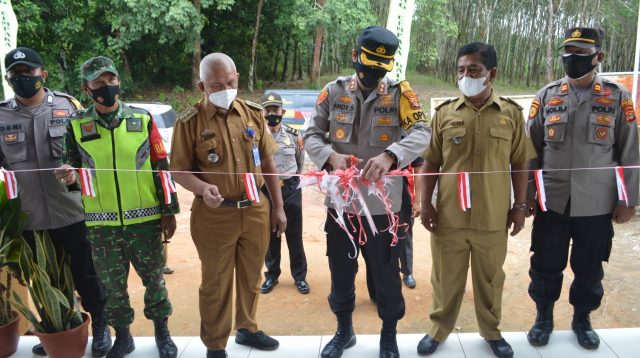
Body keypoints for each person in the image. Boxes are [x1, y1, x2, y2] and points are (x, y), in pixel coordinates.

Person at [304, 26, 430, 358]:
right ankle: (344, 331)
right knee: (341, 270)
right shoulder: (333, 92)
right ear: (355, 55)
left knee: (388, 273)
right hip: (342, 205)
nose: (372, 73)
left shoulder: (400, 95)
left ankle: (388, 335)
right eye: (368, 64)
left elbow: (422, 133)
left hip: (385, 207)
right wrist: (330, 156)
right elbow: (311, 135)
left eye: (380, 67)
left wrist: (392, 155)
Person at [54, 56, 179, 358]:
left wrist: (169, 210)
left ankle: (163, 333)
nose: (107, 87)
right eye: (99, 83)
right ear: (87, 88)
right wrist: (69, 176)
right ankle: (123, 338)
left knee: (154, 281)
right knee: (112, 288)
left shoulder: (143, 119)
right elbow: (72, 172)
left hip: (145, 221)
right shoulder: (76, 126)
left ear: (118, 81)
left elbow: (162, 168)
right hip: (102, 225)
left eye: (111, 80)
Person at [418, 42, 536, 358]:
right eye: (460, 70)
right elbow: (430, 161)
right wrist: (424, 203)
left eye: (473, 70)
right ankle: (438, 329)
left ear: (491, 74)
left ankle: (492, 332)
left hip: (493, 217)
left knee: (490, 279)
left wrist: (520, 207)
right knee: (445, 278)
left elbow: (521, 162)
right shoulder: (444, 114)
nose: (465, 75)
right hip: (450, 217)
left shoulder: (510, 114)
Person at [525, 27, 639, 350]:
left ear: (598, 57)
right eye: (568, 51)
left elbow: (630, 152)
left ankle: (582, 319)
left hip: (596, 202)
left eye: (580, 52)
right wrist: (527, 198)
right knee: (546, 261)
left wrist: (628, 199)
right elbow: (529, 151)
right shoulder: (546, 96)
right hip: (553, 200)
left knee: (589, 266)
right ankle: (543, 316)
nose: (572, 58)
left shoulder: (617, 97)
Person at [170, 53, 286, 358]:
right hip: (214, 215)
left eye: (231, 82)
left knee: (251, 275)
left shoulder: (253, 113)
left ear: (237, 78)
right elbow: (179, 171)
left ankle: (247, 328)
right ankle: (215, 343)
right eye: (217, 84)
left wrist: (278, 207)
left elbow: (270, 162)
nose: (226, 88)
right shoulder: (190, 121)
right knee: (216, 282)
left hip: (255, 209)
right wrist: (203, 187)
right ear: (202, 85)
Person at [0, 47, 109, 357]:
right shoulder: (1, 115)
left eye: (29, 73)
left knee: (86, 274)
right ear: (8, 79)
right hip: (29, 216)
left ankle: (100, 326)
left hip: (72, 211)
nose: (23, 79)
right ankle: (58, 327)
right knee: (45, 277)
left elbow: (91, 157)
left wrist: (78, 172)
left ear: (43, 74)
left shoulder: (69, 107)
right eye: (16, 74)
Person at [259, 92, 310, 295]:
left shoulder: (294, 135)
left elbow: (299, 163)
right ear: (262, 113)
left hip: (290, 188)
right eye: (268, 110)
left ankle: (300, 276)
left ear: (283, 112)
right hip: (266, 190)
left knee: (294, 234)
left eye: (275, 110)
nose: (272, 113)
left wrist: (291, 180)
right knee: (270, 234)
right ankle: (272, 275)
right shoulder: (257, 137)